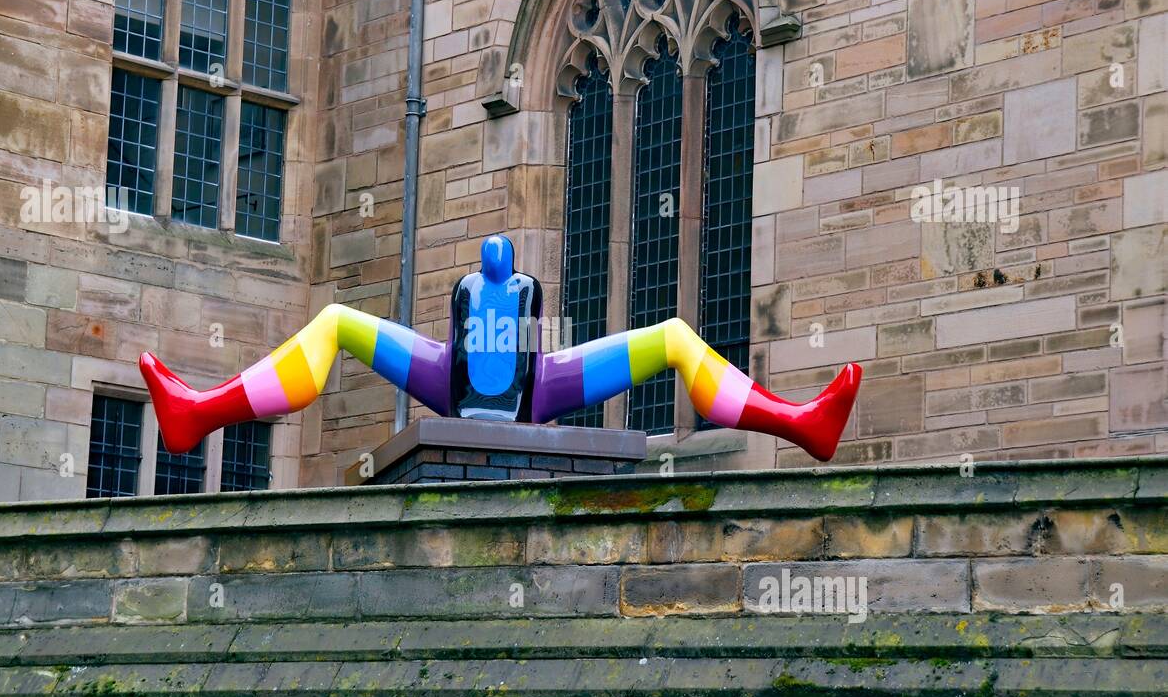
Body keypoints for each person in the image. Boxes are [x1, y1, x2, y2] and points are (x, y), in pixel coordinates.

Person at [140, 235, 862, 461]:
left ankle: (800, 423)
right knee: (333, 322)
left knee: (675, 337)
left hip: (503, 381)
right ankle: (199, 410)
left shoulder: (510, 315)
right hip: (522, 382)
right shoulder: (510, 318)